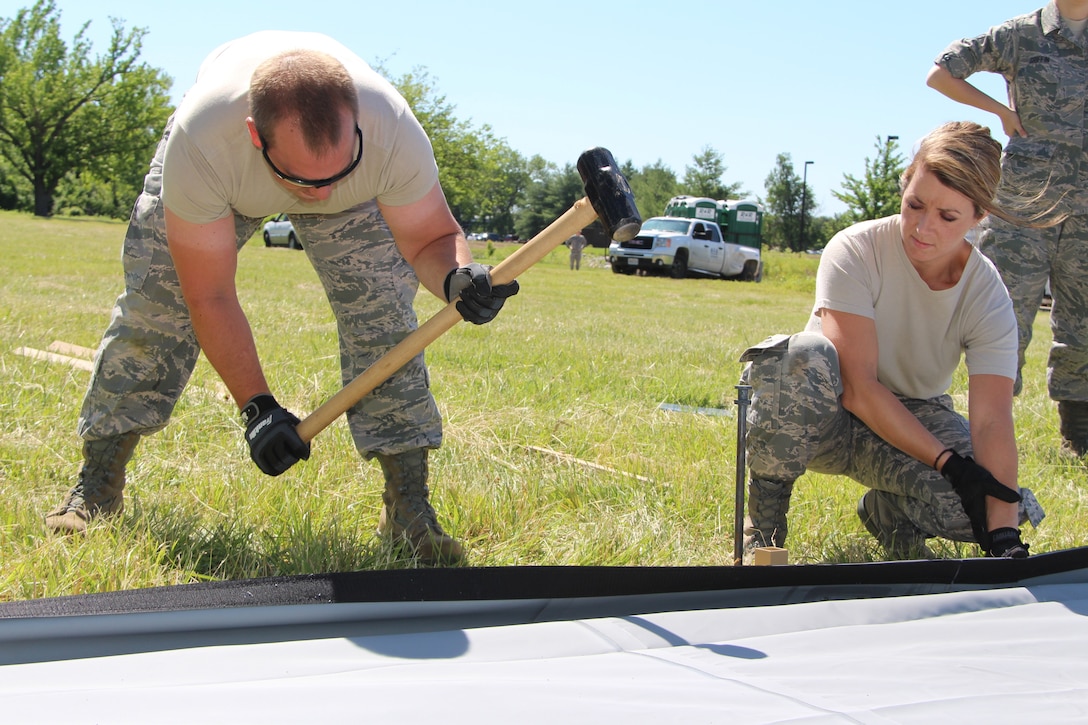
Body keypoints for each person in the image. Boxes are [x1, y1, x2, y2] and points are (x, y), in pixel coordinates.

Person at [44, 31, 519, 565]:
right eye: (298, 176)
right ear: (255, 135)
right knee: (157, 311)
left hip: (357, 196)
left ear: (358, 124)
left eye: (334, 171)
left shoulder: (392, 130)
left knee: (384, 319)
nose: (317, 192)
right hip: (225, 183)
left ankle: (409, 509)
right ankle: (97, 487)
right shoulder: (203, 143)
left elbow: (429, 238)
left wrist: (458, 279)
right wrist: (259, 410)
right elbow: (210, 294)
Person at [739, 122, 1043, 562]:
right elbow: (860, 388)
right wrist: (948, 463)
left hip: (913, 421)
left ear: (979, 217)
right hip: (829, 417)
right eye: (915, 204)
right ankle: (762, 536)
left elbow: (992, 421)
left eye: (948, 217)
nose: (922, 227)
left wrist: (1003, 538)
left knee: (982, 504)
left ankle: (888, 512)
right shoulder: (856, 249)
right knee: (798, 356)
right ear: (904, 185)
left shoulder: (988, 294)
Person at [927, 0, 1088, 455]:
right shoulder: (1021, 35)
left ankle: (1077, 438)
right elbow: (941, 72)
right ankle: (987, 433)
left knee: (1083, 323)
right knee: (1003, 320)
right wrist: (999, 109)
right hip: (1024, 207)